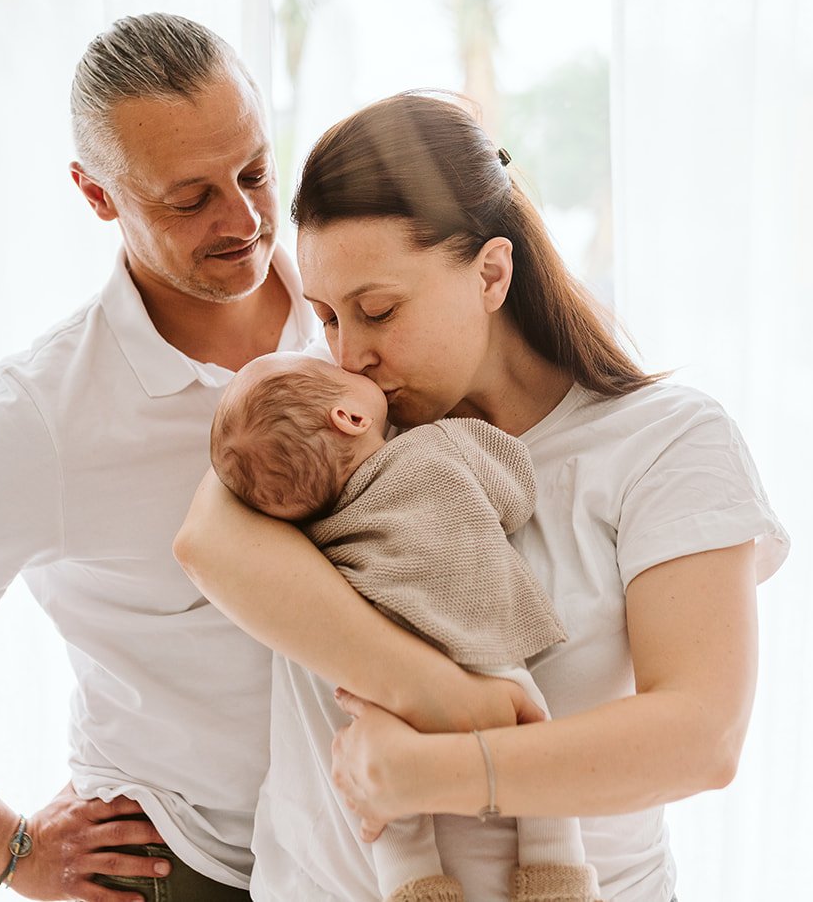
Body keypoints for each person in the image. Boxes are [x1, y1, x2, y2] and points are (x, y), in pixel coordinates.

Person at [174, 91, 791, 902]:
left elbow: (701, 736)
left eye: (377, 310)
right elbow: (209, 543)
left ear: (492, 273)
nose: (350, 353)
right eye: (326, 318)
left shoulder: (664, 442)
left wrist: (435, 772)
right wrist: (439, 694)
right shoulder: (334, 420)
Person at [0, 12, 326, 902]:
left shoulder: (355, 306)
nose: (241, 218)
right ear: (97, 194)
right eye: (189, 198)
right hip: (188, 866)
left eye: (255, 172)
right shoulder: (44, 415)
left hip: (367, 856)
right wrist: (12, 850)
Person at [209, 351, 599, 902]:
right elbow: (513, 491)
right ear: (350, 417)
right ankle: (554, 872)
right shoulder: (433, 449)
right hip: (479, 651)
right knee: (535, 744)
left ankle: (412, 884)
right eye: (340, 375)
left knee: (383, 793)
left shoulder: (311, 541)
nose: (351, 360)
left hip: (383, 683)